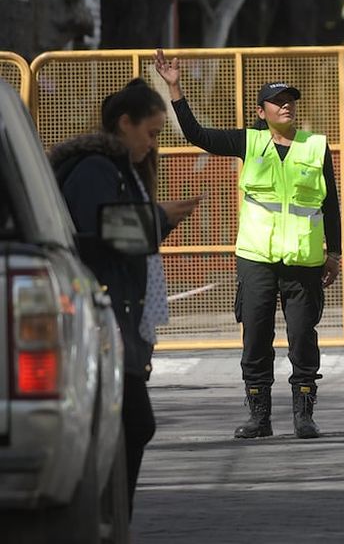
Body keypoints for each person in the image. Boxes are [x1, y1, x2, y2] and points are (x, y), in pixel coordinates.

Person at [154, 49, 340, 439]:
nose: (286, 106)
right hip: (256, 258)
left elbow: (330, 204)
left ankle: (304, 416)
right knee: (256, 336)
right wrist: (175, 88)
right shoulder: (249, 142)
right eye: (278, 101)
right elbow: (196, 135)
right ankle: (259, 416)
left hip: (303, 260)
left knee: (303, 337)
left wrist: (334, 253)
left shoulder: (315, 146)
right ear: (261, 111)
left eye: (290, 100)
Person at [49, 79, 201, 518]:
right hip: (100, 317)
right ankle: (106, 517)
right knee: (134, 423)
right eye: (150, 133)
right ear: (124, 123)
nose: (153, 143)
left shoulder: (121, 170)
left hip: (119, 315)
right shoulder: (96, 170)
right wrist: (158, 217)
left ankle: (111, 517)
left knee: (127, 426)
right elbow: (98, 234)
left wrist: (159, 219)